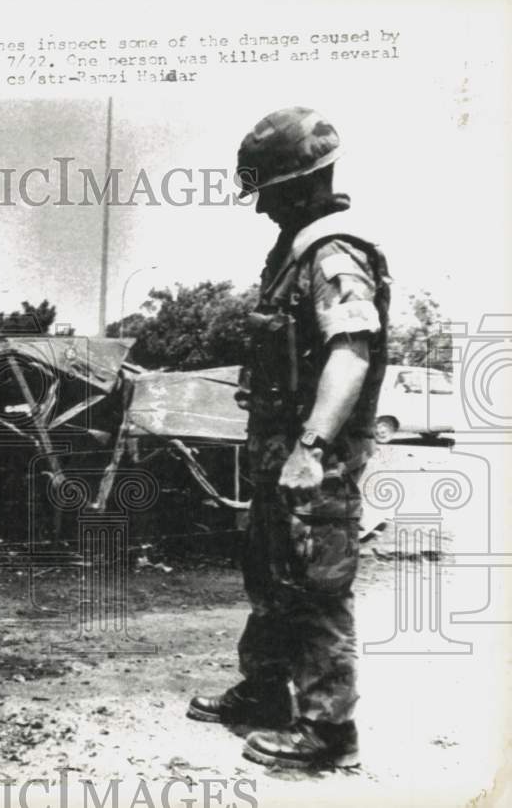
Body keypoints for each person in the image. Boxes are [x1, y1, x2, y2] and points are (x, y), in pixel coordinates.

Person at [186, 107, 391, 769]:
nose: (261, 209)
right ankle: (267, 691)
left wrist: (312, 448)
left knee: (315, 585)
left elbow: (351, 352)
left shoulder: (334, 253)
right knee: (272, 576)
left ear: (302, 186)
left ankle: (328, 732)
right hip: (280, 448)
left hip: (313, 456)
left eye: (268, 194)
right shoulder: (295, 251)